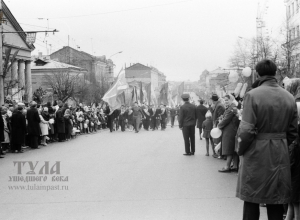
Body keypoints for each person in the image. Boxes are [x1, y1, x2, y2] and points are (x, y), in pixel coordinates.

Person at [236, 59, 298, 220]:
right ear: (275, 73)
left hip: (256, 151)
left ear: (257, 73)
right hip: (280, 152)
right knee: (276, 199)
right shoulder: (289, 97)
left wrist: (240, 150)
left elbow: (246, 130)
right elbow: (293, 132)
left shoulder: (252, 95)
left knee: (252, 197)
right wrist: (282, 143)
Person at [217, 94, 239, 172]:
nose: (225, 102)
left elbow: (226, 120)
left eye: (227, 100)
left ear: (231, 99)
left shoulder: (231, 109)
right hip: (232, 130)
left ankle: (227, 167)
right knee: (233, 149)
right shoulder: (232, 107)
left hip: (229, 130)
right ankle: (235, 166)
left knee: (229, 149)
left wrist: (219, 125)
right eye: (224, 100)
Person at [211, 94, 225, 158]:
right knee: (216, 139)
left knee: (218, 139)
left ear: (213, 100)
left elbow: (220, 117)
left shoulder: (219, 106)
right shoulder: (217, 105)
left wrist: (215, 124)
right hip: (216, 124)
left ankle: (219, 153)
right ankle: (218, 153)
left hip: (218, 125)